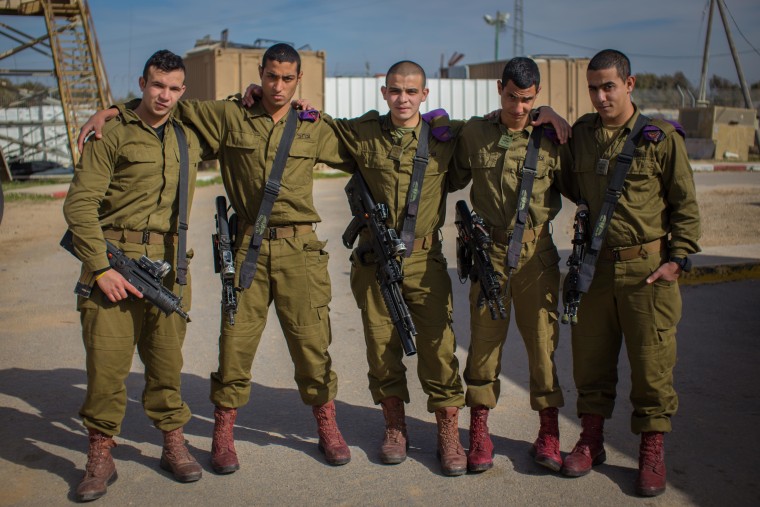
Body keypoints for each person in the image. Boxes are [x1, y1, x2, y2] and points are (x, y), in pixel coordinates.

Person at [78, 43, 356, 472]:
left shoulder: (312, 125)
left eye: (287, 79)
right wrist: (111, 112)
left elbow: (361, 149)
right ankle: (223, 434)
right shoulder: (230, 116)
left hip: (301, 251)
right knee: (234, 346)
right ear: (259, 74)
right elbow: (165, 109)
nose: (277, 86)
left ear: (298, 80)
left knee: (312, 343)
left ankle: (327, 426)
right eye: (270, 77)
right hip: (246, 250)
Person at [63, 49, 208, 502]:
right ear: (142, 83)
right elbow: (79, 205)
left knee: (167, 365)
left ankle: (173, 443)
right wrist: (101, 268)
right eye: (156, 85)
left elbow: (245, 110)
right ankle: (100, 454)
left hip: (167, 267)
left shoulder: (190, 132)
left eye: (172, 88)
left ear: (183, 91)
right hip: (114, 262)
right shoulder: (113, 133)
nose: (163, 95)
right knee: (107, 368)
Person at [560, 49, 700, 497]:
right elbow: (564, 181)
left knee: (651, 365)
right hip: (594, 268)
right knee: (590, 361)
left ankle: (651, 450)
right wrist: (543, 113)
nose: (601, 97)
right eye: (593, 88)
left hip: (647, 271)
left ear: (629, 84)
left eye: (609, 87)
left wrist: (676, 260)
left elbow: (685, 206)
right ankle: (592, 440)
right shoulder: (581, 135)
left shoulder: (660, 138)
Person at [449, 57, 573, 474]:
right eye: (510, 97)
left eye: (527, 100)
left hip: (537, 256)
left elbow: (585, 184)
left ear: (536, 95)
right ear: (499, 88)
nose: (518, 108)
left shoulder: (552, 138)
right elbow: (446, 172)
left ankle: (549, 431)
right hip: (491, 255)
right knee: (483, 345)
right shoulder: (476, 132)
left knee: (542, 345)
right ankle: (480, 430)